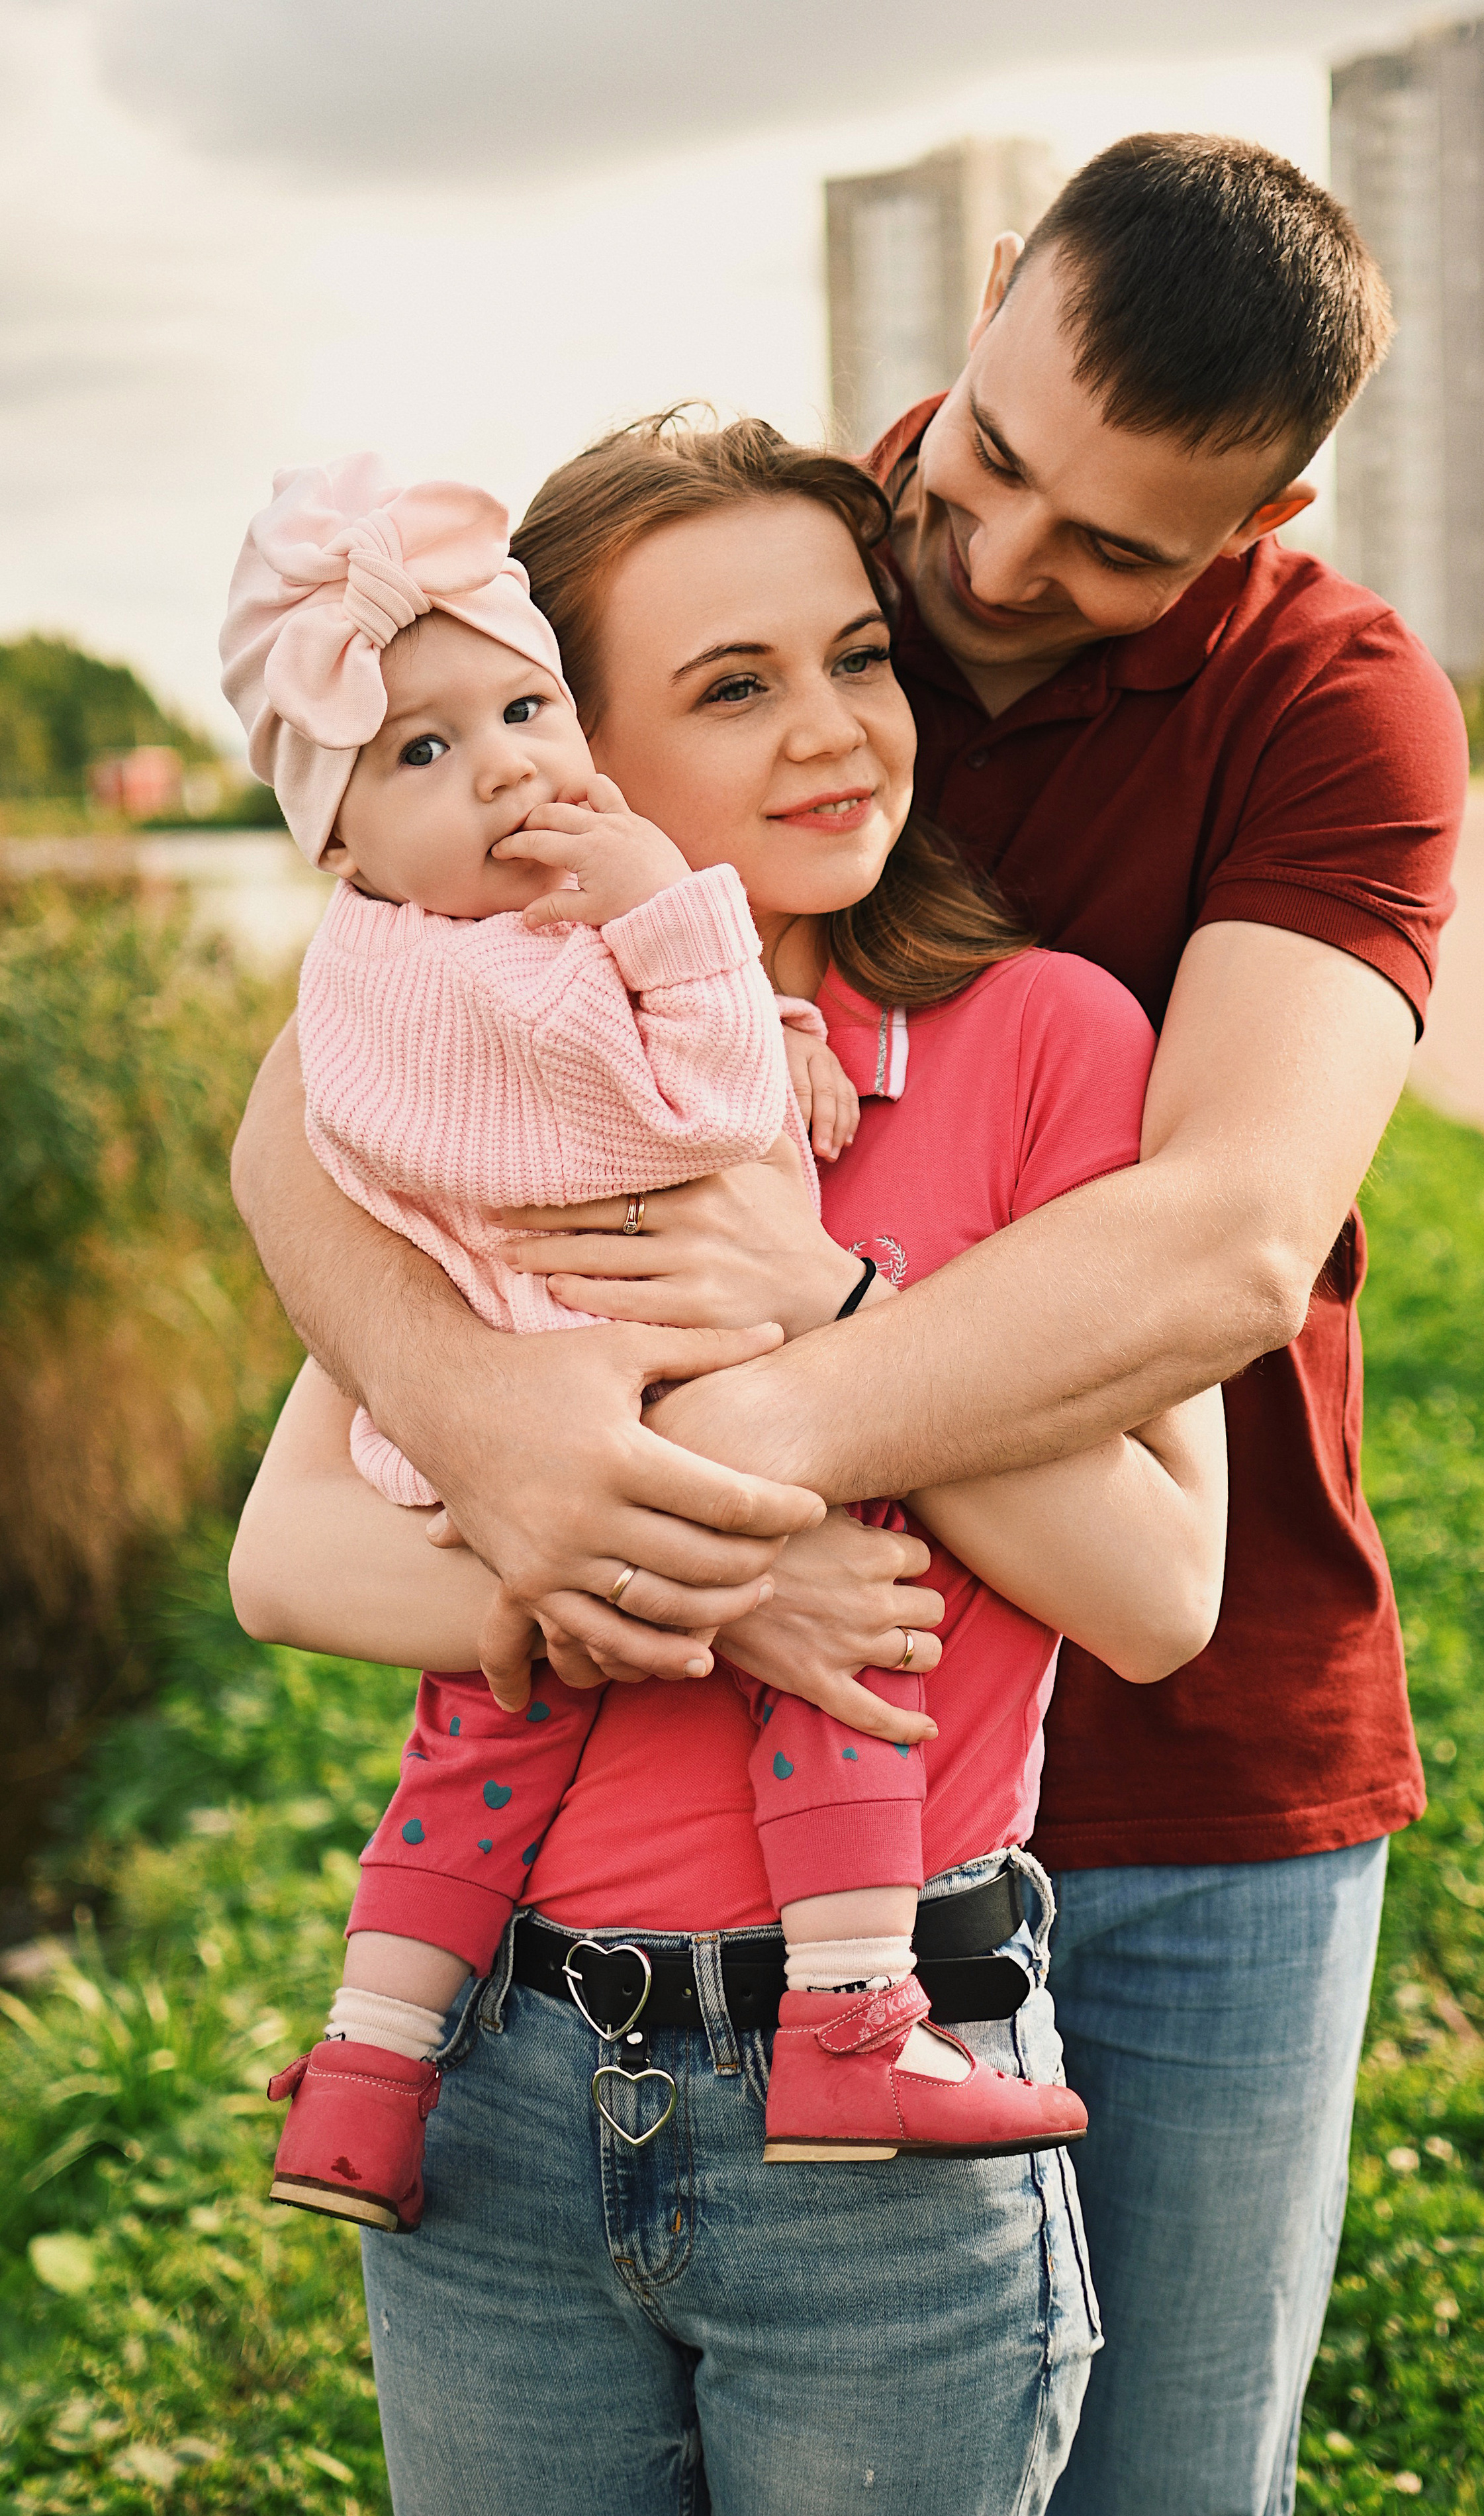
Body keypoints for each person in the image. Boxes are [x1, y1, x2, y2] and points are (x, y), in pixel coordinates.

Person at [232, 136, 1468, 2516]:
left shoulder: (1323, 725)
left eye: (1114, 550)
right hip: (620, 1923)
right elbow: (331, 1095)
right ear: (986, 303)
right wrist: (506, 1429)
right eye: (989, 469)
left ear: (1270, 511)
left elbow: (1218, 1248)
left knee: (1155, 2491)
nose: (995, 575)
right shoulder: (770, 558)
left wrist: (724, 1445)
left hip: (1185, 1775)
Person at [221, 452, 1101, 2215]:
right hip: (529, 2064)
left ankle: (364, 2062)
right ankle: (801, 2037)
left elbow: (1162, 1597)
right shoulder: (493, 1057)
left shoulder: (1044, 1035)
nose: (835, 732)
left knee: (483, 1742)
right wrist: (731, 1592)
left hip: (852, 2130)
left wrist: (829, 1305)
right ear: (600, 758)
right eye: (733, 686)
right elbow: (285, 1559)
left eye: (862, 659)